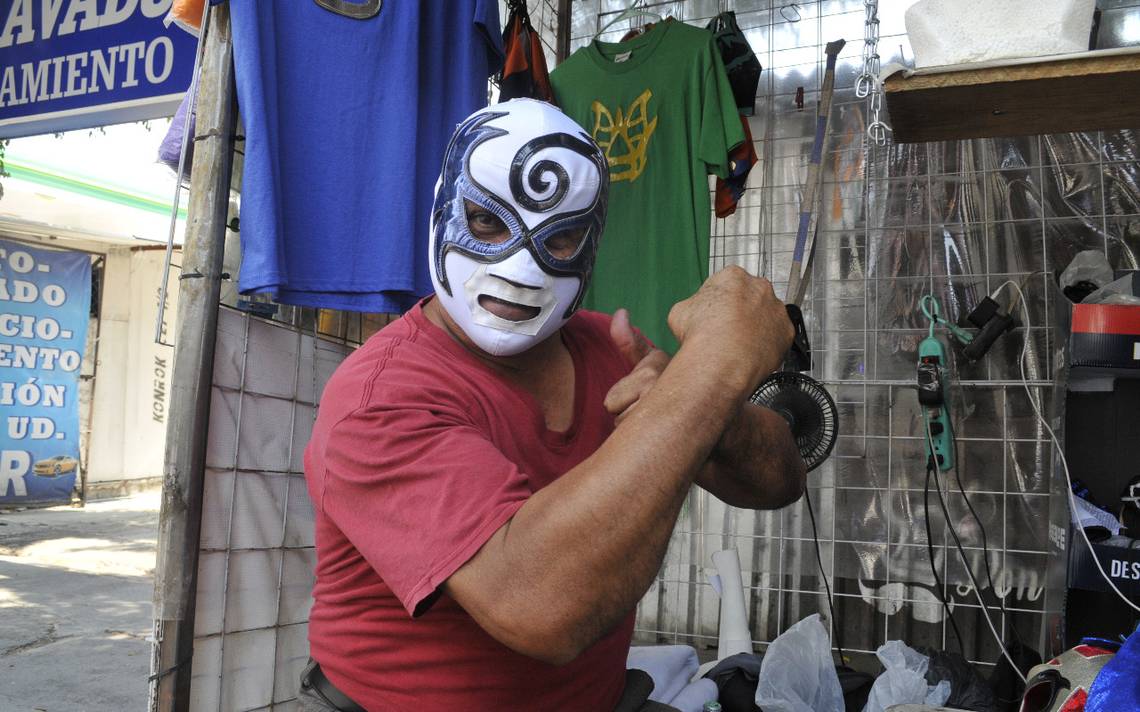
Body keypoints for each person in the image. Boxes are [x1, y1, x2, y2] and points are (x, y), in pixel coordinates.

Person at [300, 98, 806, 712]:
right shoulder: (379, 399)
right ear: (442, 206)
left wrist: (699, 405)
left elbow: (780, 478)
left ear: (592, 244)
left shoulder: (605, 345)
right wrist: (710, 370)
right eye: (486, 222)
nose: (518, 265)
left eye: (560, 236)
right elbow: (540, 607)